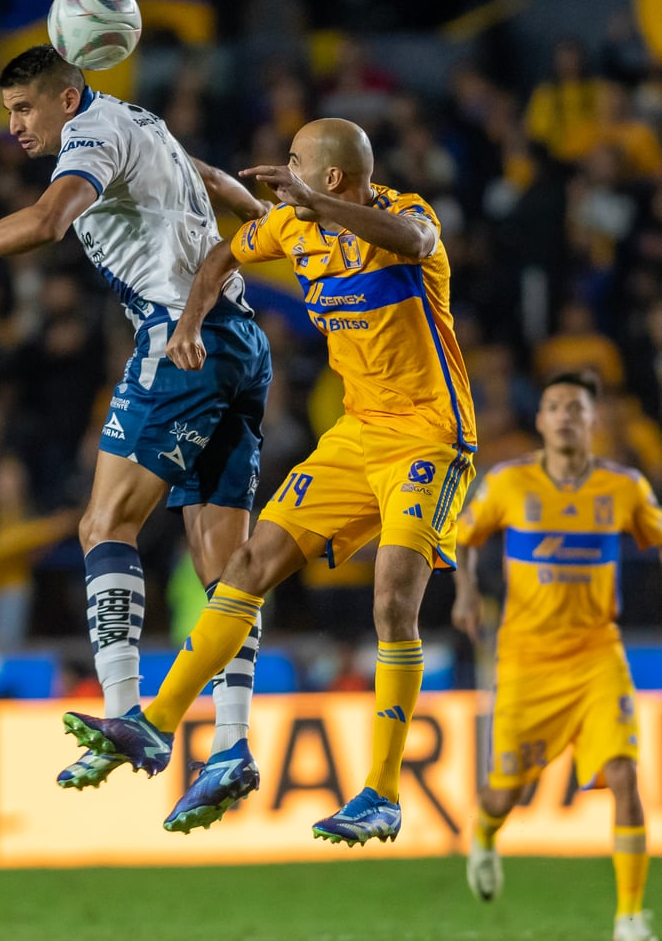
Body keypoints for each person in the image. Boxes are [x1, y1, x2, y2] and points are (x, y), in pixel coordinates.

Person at [62, 116, 478, 842]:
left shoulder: (406, 216)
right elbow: (224, 253)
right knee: (248, 565)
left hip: (431, 437)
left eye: (297, 162)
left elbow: (414, 244)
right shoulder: (294, 228)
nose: (284, 170)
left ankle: (380, 791)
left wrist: (318, 209)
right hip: (355, 436)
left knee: (392, 601)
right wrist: (192, 318)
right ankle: (155, 724)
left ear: (337, 178)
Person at [0, 45, 273, 828]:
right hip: (242, 341)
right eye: (8, 112)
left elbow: (46, 221)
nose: (12, 126)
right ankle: (232, 742)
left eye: (24, 109)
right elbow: (207, 177)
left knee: (105, 522)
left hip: (182, 335)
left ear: (66, 99)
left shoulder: (93, 132)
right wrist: (264, 219)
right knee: (222, 564)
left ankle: (125, 709)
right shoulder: (143, 120)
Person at [451, 371, 660, 941]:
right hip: (526, 660)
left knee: (623, 776)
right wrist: (466, 590)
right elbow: (463, 537)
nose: (565, 415)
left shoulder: (625, 489)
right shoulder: (509, 483)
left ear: (593, 421)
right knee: (506, 795)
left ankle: (630, 917)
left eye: (575, 407)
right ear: (539, 421)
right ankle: (486, 835)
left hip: (598, 655)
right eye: (553, 406)